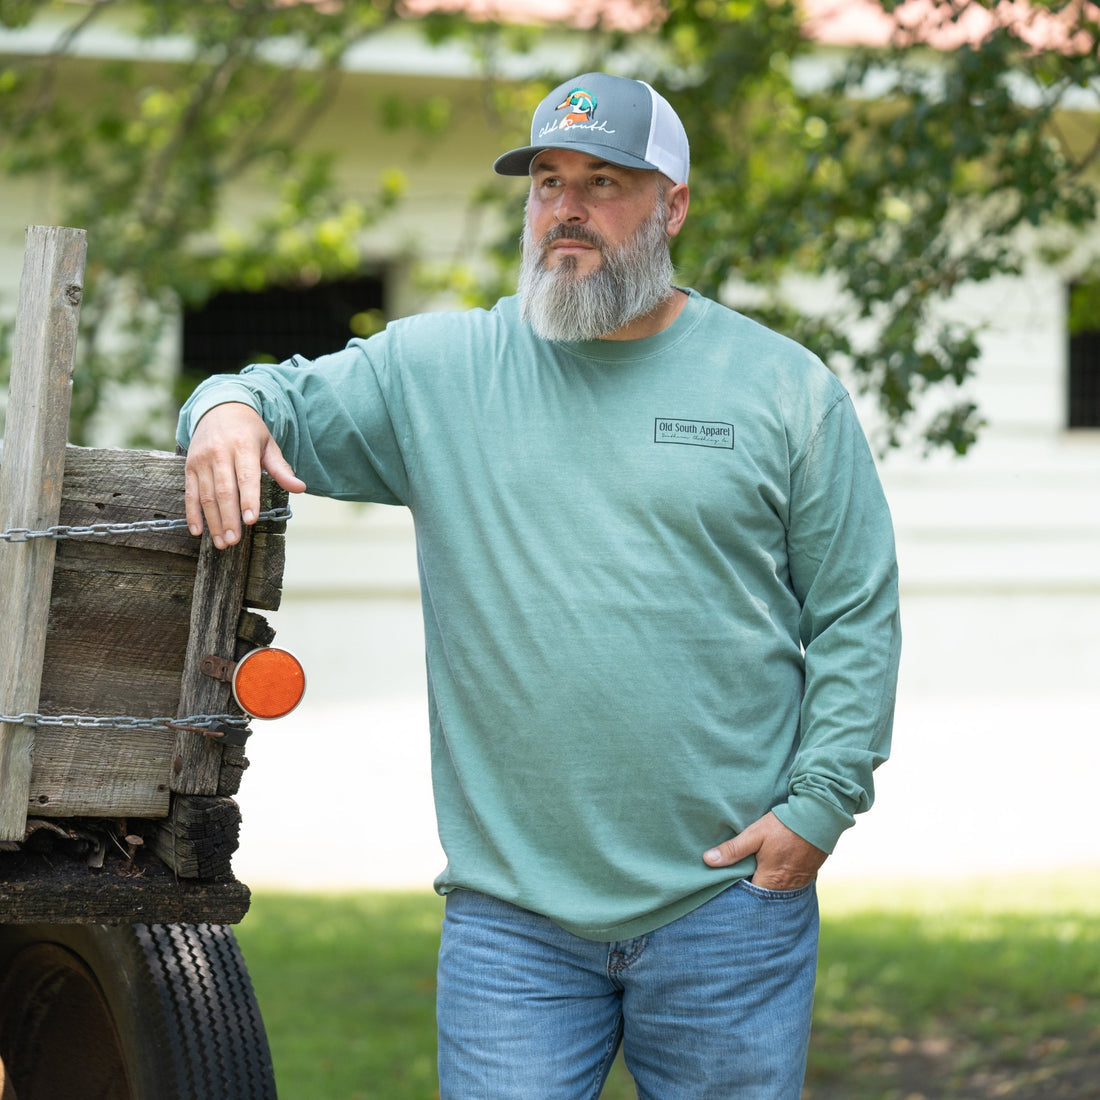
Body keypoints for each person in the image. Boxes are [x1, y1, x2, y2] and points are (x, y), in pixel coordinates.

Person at [178, 72, 901, 1099]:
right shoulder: (443, 371)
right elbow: (259, 395)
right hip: (510, 921)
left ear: (673, 204)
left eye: (603, 181)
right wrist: (221, 414)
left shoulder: (781, 388)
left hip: (727, 902)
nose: (566, 207)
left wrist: (816, 812)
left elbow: (853, 611)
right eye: (546, 181)